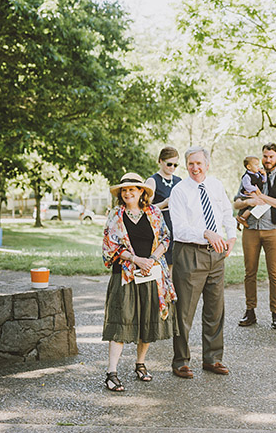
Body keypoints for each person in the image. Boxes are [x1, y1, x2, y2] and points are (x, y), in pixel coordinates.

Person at [101, 173, 177, 392]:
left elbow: (165, 238)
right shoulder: (116, 214)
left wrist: (151, 260)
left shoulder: (153, 212)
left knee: (147, 319)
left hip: (151, 273)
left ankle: (140, 364)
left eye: (132, 189)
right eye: (124, 190)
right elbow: (110, 246)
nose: (128, 193)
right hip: (125, 274)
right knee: (121, 320)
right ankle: (111, 373)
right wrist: (135, 259)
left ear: (142, 191)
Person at [169, 146, 237, 378]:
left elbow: (227, 212)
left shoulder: (216, 185)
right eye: (190, 164)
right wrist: (207, 233)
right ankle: (180, 361)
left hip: (217, 254)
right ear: (186, 166)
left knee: (215, 310)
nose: (195, 168)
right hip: (190, 254)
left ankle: (213, 359)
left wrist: (232, 236)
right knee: (184, 312)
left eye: (199, 163)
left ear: (207, 164)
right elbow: (179, 229)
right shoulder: (179, 191)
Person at [233, 143, 276, 330]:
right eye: (265, 156)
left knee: (274, 273)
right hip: (251, 229)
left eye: (271, 156)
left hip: (273, 230)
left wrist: (263, 196)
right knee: (249, 272)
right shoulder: (249, 176)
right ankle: (250, 311)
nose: (267, 160)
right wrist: (251, 200)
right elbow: (237, 202)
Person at [145, 146, 181, 268]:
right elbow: (145, 209)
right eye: (169, 164)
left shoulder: (179, 181)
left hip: (176, 226)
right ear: (160, 161)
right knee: (161, 264)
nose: (172, 168)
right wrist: (164, 203)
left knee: (175, 265)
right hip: (160, 227)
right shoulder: (152, 181)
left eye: (175, 165)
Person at [236, 155, 266, 228]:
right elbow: (247, 186)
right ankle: (243, 218)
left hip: (252, 195)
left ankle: (237, 220)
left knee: (244, 209)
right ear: (249, 167)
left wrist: (264, 174)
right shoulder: (247, 176)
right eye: (256, 165)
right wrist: (255, 189)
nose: (258, 167)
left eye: (258, 165)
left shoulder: (257, 174)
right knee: (254, 205)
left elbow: (263, 181)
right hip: (246, 195)